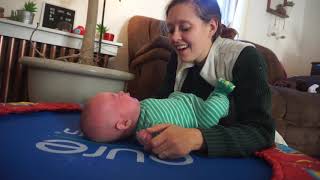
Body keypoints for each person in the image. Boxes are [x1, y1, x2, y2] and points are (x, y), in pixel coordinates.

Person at [140, 0, 276, 159]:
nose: (174, 38)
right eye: (170, 30)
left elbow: (262, 132)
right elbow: (161, 101)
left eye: (185, 28)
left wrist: (196, 138)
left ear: (212, 26)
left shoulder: (246, 58)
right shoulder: (176, 59)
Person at [80, 79, 235, 149]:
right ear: (124, 123)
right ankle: (220, 94)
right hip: (199, 117)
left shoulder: (140, 107)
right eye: (116, 97)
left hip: (187, 103)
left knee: (173, 95)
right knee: (211, 113)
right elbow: (163, 142)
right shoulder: (147, 129)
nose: (120, 92)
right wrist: (147, 141)